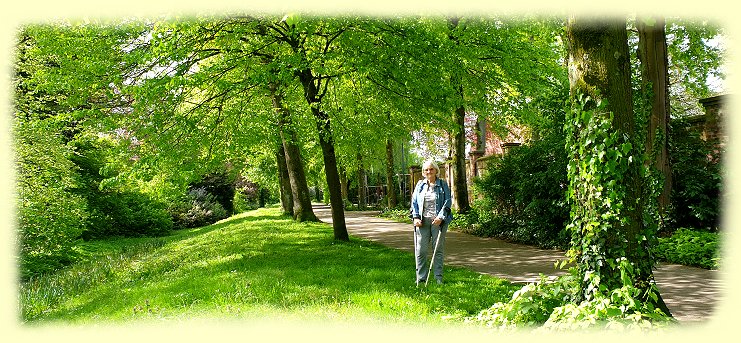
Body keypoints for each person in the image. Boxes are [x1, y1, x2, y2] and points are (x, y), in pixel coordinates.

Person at [410, 159, 452, 285]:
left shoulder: (443, 184)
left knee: (437, 250)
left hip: (438, 222)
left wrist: (441, 217)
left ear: (436, 171)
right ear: (423, 172)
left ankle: (438, 278)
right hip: (422, 221)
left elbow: (448, 201)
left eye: (431, 169)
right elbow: (414, 202)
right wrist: (416, 217)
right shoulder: (420, 185)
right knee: (421, 250)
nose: (429, 171)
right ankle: (421, 279)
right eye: (426, 169)